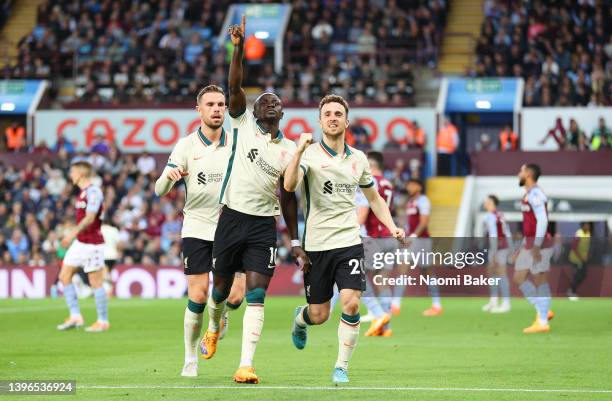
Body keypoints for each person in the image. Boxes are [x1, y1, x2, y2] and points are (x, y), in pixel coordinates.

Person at [199, 16, 306, 385]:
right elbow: (234, 84)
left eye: (276, 101)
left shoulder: (291, 149)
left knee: (257, 295)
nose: (271, 102)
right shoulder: (241, 123)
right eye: (265, 100)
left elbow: (288, 197)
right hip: (230, 218)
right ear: (254, 110)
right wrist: (238, 48)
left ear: (281, 113)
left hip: (263, 226)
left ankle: (245, 364)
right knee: (221, 291)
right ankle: (214, 325)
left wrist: (294, 239)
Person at [285, 94, 405, 384]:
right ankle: (301, 319)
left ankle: (341, 367)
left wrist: (392, 226)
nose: (333, 117)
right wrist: (298, 152)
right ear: (320, 120)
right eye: (328, 113)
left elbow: (374, 199)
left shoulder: (358, 159)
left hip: (349, 242)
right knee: (320, 314)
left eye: (338, 113)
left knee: (351, 303)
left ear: (347, 121)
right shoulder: (310, 154)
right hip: (317, 245)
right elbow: (289, 186)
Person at [154, 85, 246, 378]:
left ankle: (218, 321)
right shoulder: (186, 146)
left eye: (221, 104)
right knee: (198, 295)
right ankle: (190, 358)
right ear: (200, 110)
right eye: (211, 105)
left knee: (234, 297)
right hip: (196, 227)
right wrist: (167, 178)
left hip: (232, 228)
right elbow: (159, 190)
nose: (217, 109)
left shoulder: (237, 143)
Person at [56, 158, 109, 332]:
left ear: (80, 173)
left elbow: (90, 217)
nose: (70, 175)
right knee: (64, 275)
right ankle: (75, 316)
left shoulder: (93, 192)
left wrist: (71, 233)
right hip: (80, 242)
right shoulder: (82, 192)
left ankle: (102, 321)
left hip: (93, 244)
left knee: (95, 282)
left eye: (72, 171)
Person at [513, 163, 554, 334]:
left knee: (539, 278)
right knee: (518, 277)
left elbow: (542, 220)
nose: (518, 174)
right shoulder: (529, 194)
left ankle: (543, 321)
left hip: (539, 244)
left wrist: (537, 246)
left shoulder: (536, 194)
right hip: (530, 243)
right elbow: (529, 225)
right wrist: (522, 246)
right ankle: (543, 309)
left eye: (521, 171)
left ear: (528, 174)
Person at [362, 151, 396, 337]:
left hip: (374, 237)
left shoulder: (371, 181)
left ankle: (378, 314)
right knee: (383, 282)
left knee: (357, 276)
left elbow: (366, 210)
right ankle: (386, 326)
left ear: (371, 165)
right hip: (389, 237)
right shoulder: (388, 183)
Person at [404, 178, 442, 316]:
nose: (409, 187)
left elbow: (424, 222)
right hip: (414, 239)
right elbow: (409, 222)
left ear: (419, 187)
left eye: (412, 185)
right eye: (408, 185)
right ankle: (394, 305)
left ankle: (437, 305)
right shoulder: (410, 202)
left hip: (422, 240)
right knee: (405, 267)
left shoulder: (423, 200)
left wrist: (413, 237)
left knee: (427, 271)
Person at [481, 195, 512, 313]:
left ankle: (505, 303)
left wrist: (493, 253)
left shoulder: (490, 216)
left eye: (486, 200)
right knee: (492, 273)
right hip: (502, 247)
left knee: (501, 273)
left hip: (498, 248)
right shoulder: (500, 214)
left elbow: (493, 234)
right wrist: (511, 248)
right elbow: (507, 232)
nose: (484, 202)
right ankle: (494, 300)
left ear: (491, 202)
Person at [567, 222, 591, 301]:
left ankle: (571, 290)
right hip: (575, 259)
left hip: (583, 259)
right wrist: (580, 257)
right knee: (577, 275)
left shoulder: (588, 233)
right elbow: (574, 246)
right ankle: (571, 291)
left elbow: (586, 246)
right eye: (586, 224)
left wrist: (587, 255)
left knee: (583, 274)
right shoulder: (578, 233)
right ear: (582, 225)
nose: (588, 226)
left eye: (588, 224)